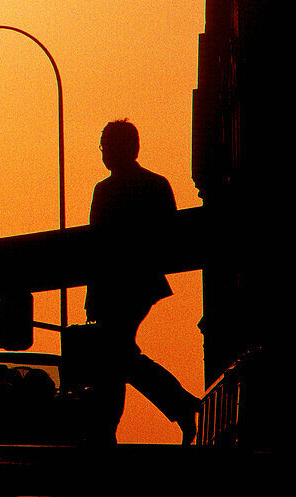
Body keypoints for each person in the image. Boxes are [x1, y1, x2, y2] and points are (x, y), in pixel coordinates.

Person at [84, 119, 200, 445]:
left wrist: (93, 296)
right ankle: (175, 407)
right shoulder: (156, 184)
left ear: (125, 148)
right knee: (117, 357)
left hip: (121, 286)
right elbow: (172, 237)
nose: (104, 153)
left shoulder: (106, 191)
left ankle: (110, 429)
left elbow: (97, 247)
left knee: (114, 356)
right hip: (141, 285)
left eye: (107, 146)